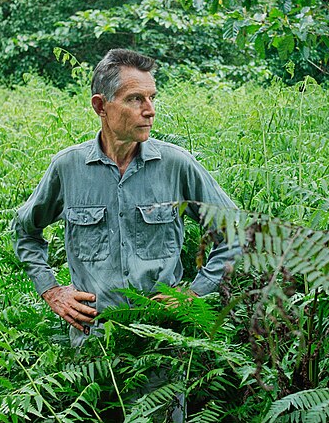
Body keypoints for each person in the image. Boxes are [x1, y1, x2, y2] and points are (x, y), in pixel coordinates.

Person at [13, 48, 239, 346]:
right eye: (135, 99)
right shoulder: (67, 168)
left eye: (152, 98)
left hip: (163, 347)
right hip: (92, 349)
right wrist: (52, 290)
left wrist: (196, 291)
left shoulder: (176, 165)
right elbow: (25, 231)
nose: (150, 110)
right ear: (100, 106)